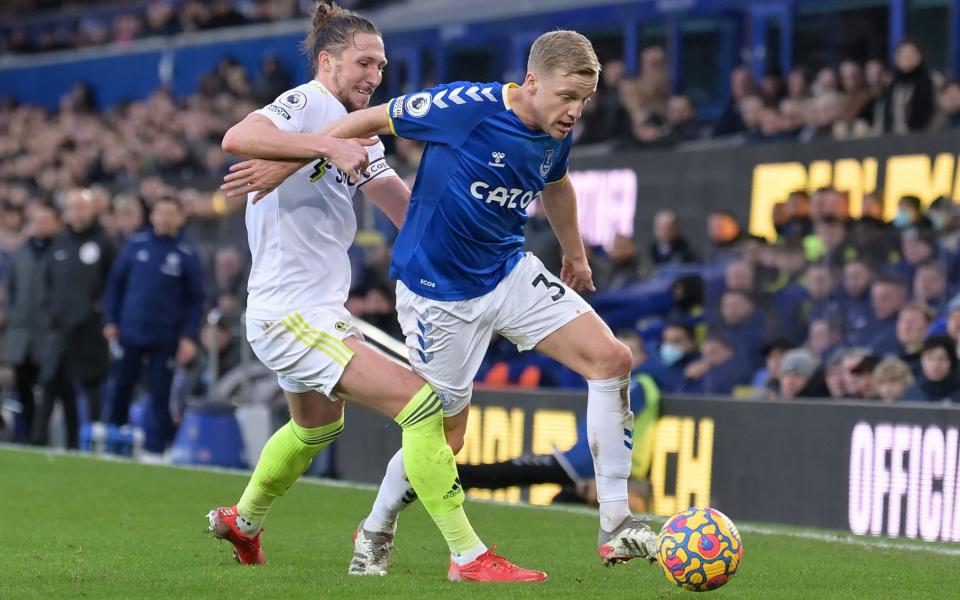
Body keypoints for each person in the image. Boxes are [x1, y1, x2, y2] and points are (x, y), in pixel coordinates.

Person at [229, 29, 658, 571]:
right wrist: (292, 161)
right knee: (442, 436)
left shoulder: (556, 129)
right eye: (566, 97)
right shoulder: (464, 106)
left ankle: (616, 524)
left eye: (584, 100)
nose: (574, 111)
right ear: (530, 82)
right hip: (437, 294)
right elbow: (370, 121)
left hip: (507, 270)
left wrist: (575, 256)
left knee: (612, 359)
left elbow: (557, 184)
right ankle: (375, 529)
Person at [214, 1, 543, 582]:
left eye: (382, 67)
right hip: (288, 311)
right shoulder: (309, 104)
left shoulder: (361, 134)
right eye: (363, 63)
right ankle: (468, 557)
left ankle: (243, 520)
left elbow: (400, 205)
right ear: (327, 61)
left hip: (314, 309)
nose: (374, 77)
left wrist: (465, 238)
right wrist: (325, 146)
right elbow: (238, 136)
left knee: (318, 427)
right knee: (422, 408)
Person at [103, 196, 205, 456]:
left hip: (166, 337)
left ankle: (156, 450)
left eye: (171, 214)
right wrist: (111, 320)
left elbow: (196, 301)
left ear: (180, 218)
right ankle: (115, 442)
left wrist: (189, 337)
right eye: (160, 213)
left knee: (160, 394)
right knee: (121, 387)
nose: (165, 218)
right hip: (130, 332)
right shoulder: (135, 245)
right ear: (152, 216)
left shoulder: (186, 254)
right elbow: (115, 286)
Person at [35, 188, 116, 445]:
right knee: (52, 386)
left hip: (90, 332)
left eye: (82, 207)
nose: (77, 213)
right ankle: (39, 442)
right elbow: (46, 283)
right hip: (59, 331)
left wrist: (100, 315)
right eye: (72, 208)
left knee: (90, 388)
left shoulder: (104, 244)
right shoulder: (59, 244)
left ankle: (91, 444)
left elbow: (114, 285)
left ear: (93, 210)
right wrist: (51, 313)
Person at [5, 201, 61, 444]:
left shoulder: (61, 252)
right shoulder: (20, 252)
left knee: (49, 386)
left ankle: (43, 436)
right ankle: (29, 435)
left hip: (48, 332)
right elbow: (12, 289)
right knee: (23, 386)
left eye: (45, 221)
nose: (40, 226)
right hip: (21, 333)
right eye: (36, 221)